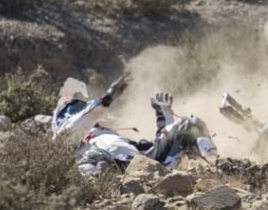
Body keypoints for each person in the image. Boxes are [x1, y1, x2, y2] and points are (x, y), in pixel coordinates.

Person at [52, 75, 218, 176]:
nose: (76, 112)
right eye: (71, 110)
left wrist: (164, 113)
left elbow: (156, 152)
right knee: (92, 163)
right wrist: (107, 98)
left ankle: (213, 168)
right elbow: (76, 125)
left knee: (191, 123)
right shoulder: (67, 141)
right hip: (113, 171)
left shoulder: (111, 136)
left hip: (148, 167)